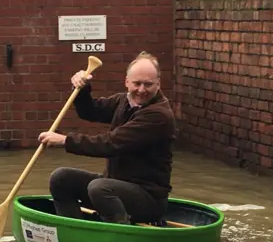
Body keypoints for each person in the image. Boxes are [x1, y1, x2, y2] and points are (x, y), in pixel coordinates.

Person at [38, 51, 177, 224]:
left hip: (148, 199)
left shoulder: (159, 115)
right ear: (127, 82)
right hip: (115, 188)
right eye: (137, 83)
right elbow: (90, 111)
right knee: (61, 178)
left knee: (100, 188)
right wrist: (81, 89)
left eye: (148, 84)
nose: (142, 90)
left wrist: (65, 140)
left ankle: (121, 233)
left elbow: (111, 144)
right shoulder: (123, 102)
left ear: (158, 84)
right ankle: (73, 229)